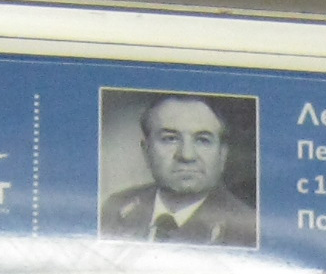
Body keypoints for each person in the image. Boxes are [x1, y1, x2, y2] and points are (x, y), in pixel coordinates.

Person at [99, 94, 259, 247]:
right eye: (170, 139)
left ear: (222, 154)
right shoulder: (115, 208)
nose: (186, 155)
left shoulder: (249, 230)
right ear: (146, 151)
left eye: (202, 140)